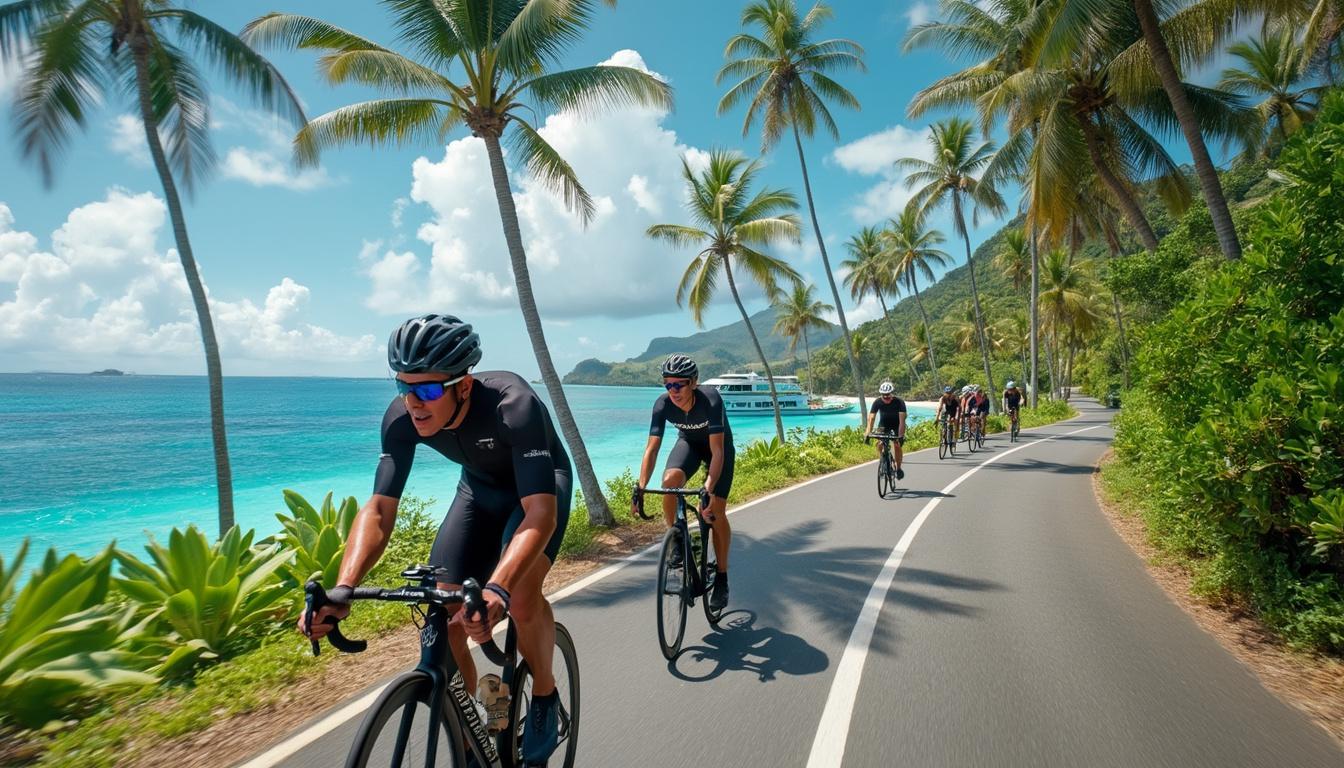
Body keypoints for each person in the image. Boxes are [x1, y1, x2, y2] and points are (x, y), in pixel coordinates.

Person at [300, 314, 568, 765]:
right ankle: (472, 736)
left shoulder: (514, 405)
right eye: (403, 387)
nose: (413, 403)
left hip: (540, 493)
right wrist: (344, 587)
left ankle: (544, 693)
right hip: (478, 492)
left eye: (426, 391)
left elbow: (540, 514)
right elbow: (379, 509)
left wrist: (498, 589)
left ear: (464, 386)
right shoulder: (400, 418)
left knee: (521, 594)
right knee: (444, 612)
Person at [634, 354, 734, 613]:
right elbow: (652, 449)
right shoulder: (662, 404)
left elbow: (718, 452)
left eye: (679, 384)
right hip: (689, 444)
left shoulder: (710, 399)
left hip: (718, 449)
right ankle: (677, 538)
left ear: (694, 383)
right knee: (669, 481)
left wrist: (708, 487)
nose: (673, 390)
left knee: (715, 511)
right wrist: (641, 486)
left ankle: (722, 577)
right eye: (668, 384)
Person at [865, 380, 907, 480]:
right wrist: (867, 433)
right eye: (884, 395)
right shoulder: (877, 402)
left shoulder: (899, 402)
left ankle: (898, 468)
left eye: (888, 395)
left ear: (892, 393)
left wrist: (900, 436)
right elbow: (871, 418)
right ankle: (883, 458)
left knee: (897, 445)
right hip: (883, 425)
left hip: (897, 425)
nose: (886, 397)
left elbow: (902, 421)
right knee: (880, 443)